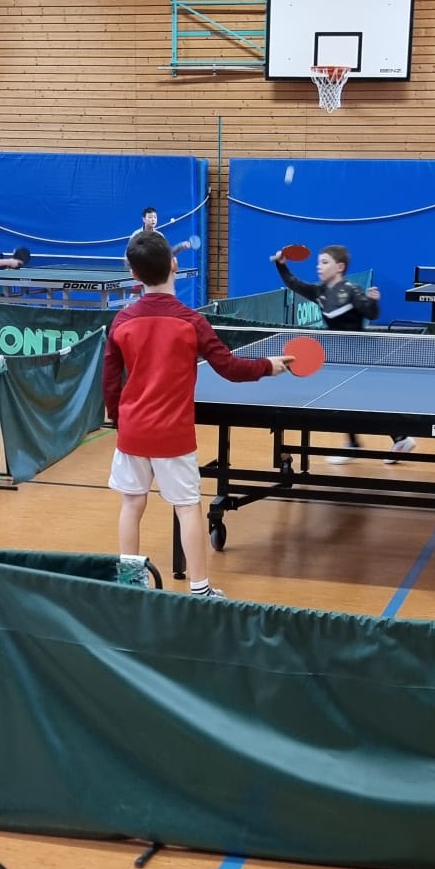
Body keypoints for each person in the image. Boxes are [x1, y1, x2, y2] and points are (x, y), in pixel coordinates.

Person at [103, 230, 290, 596]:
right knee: (187, 507)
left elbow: (110, 383)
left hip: (133, 431)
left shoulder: (122, 322)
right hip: (173, 434)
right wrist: (268, 366)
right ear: (174, 265)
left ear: (134, 275)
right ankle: (200, 588)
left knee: (132, 503)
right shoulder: (192, 322)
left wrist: (118, 419)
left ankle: (129, 583)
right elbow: (230, 368)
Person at [271, 243, 415, 463]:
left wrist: (373, 301)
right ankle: (381, 440)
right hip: (342, 355)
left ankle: (393, 439)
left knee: (361, 401)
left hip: (362, 355)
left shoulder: (351, 290)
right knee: (350, 402)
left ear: (339, 267)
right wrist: (282, 265)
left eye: (324, 262)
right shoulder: (320, 292)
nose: (319, 267)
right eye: (318, 262)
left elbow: (371, 314)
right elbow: (294, 283)